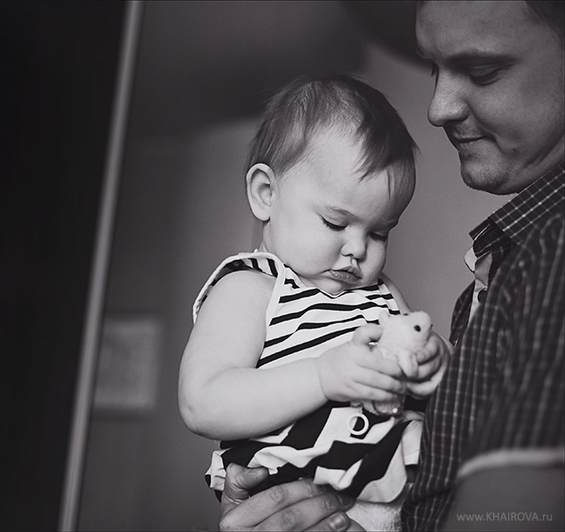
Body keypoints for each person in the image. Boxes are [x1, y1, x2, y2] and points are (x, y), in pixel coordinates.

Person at [218, 2, 564, 530]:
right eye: (433, 68)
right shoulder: (250, 288)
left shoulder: (549, 255)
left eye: (482, 71)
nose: (437, 108)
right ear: (266, 193)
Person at [179, 74, 450, 532]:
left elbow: (432, 385)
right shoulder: (251, 288)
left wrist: (432, 362)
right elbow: (202, 402)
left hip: (399, 488)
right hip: (297, 492)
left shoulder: (380, 294)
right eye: (335, 223)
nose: (358, 249)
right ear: (266, 194)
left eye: (379, 232)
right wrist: (323, 377)